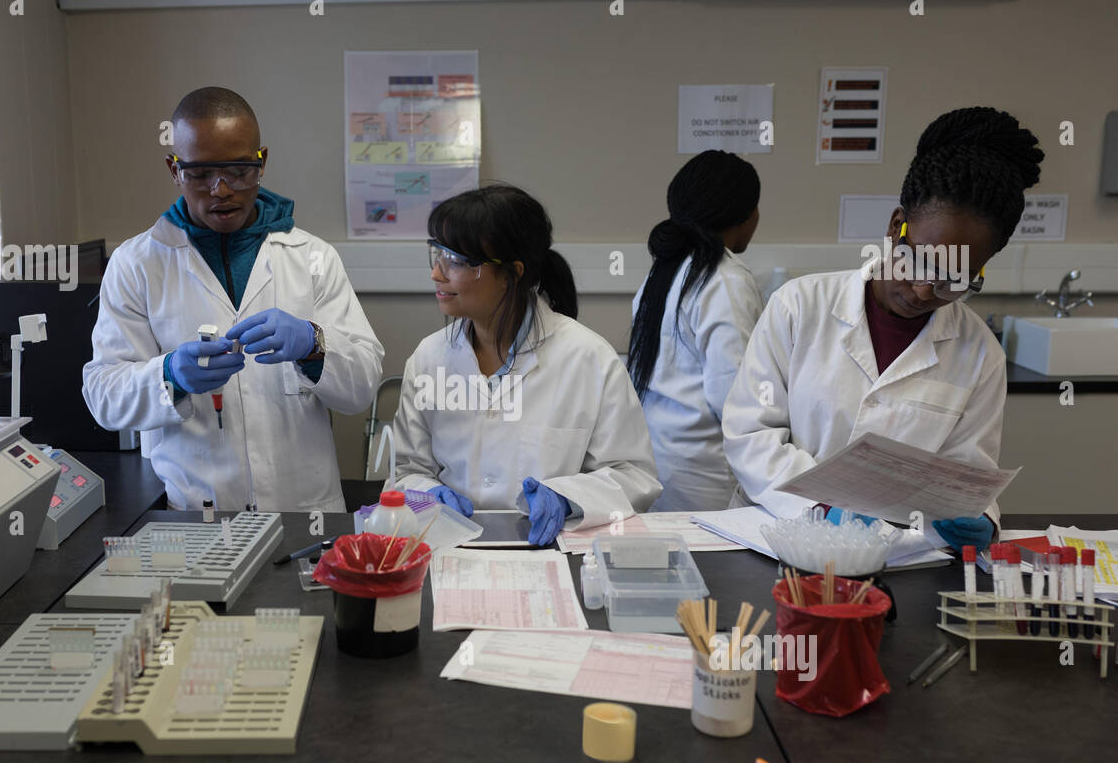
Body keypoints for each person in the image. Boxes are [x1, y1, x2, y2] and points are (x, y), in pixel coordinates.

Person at [722, 107, 1044, 551]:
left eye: (955, 278)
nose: (924, 289)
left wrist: (979, 516)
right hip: (777, 538)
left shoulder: (979, 352)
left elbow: (967, 471)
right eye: (920, 260)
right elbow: (751, 433)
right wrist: (819, 507)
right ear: (896, 227)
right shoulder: (799, 306)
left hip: (899, 554)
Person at [83, 87, 383, 513]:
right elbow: (103, 397)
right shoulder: (137, 264)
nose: (221, 190)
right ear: (174, 169)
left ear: (262, 162)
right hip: (196, 510)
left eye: (239, 171)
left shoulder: (312, 257)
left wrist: (314, 345)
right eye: (200, 174)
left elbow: (363, 386)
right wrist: (169, 374)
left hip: (305, 511)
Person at [388, 184, 661, 546]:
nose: (437, 274)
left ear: (511, 273)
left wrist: (567, 498)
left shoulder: (588, 358)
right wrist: (426, 495)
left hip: (550, 550)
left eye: (455, 261)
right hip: (450, 546)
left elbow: (635, 475)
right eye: (436, 254)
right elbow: (407, 471)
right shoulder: (428, 358)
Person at [629, 150, 762, 512]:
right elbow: (734, 398)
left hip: (658, 461)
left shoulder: (664, 271)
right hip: (706, 478)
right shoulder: (725, 279)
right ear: (747, 215)